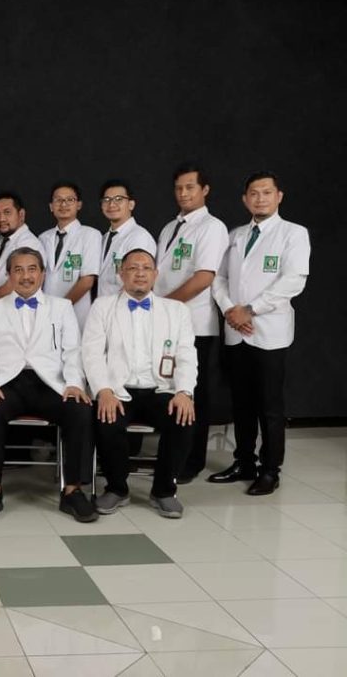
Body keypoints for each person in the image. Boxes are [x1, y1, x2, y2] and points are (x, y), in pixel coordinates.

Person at [0, 247, 96, 523]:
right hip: (6, 381)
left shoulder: (61, 307)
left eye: (31, 269)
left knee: (80, 410)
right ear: (9, 275)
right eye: (18, 270)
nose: (25, 276)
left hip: (49, 382)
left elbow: (72, 350)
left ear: (42, 274)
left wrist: (74, 383)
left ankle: (73, 490)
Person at [209, 171, 310, 495]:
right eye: (254, 193)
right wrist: (230, 310)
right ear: (245, 199)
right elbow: (219, 278)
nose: (260, 198)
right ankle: (244, 462)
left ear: (279, 196)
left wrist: (250, 310)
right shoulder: (236, 235)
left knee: (270, 406)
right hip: (236, 330)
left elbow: (293, 280)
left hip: (268, 332)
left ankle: (270, 470)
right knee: (241, 403)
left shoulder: (293, 234)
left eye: (267, 192)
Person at [82, 249, 197, 519]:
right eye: (133, 268)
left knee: (183, 418)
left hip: (160, 389)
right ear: (121, 274)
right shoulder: (103, 306)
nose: (140, 273)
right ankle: (117, 488)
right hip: (118, 390)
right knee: (107, 419)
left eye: (146, 268)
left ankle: (164, 491)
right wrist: (103, 391)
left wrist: (184, 392)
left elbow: (186, 355)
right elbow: (91, 353)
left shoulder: (176, 310)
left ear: (155, 274)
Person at [154, 162, 229, 483]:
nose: (183, 193)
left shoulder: (212, 227)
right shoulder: (169, 228)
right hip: (165, 322)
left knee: (195, 392)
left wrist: (164, 306)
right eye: (178, 188)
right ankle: (173, 452)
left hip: (195, 323)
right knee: (170, 387)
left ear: (204, 190)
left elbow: (204, 277)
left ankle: (192, 460)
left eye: (190, 187)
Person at [38, 181, 102, 330]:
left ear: (79, 205)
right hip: (45, 313)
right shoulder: (43, 238)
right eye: (58, 200)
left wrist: (60, 309)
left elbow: (87, 281)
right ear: (51, 206)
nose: (64, 204)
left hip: (76, 313)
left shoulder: (90, 235)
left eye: (70, 200)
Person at [0, 191, 41, 313]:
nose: (1, 219)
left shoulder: (29, 244)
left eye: (7, 212)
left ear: (21, 214)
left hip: (12, 315)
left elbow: (13, 285)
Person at [96, 180, 157, 297]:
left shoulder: (139, 237)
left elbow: (139, 282)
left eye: (118, 199)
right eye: (106, 200)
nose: (111, 204)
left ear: (131, 204)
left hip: (125, 305)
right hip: (103, 305)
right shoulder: (104, 238)